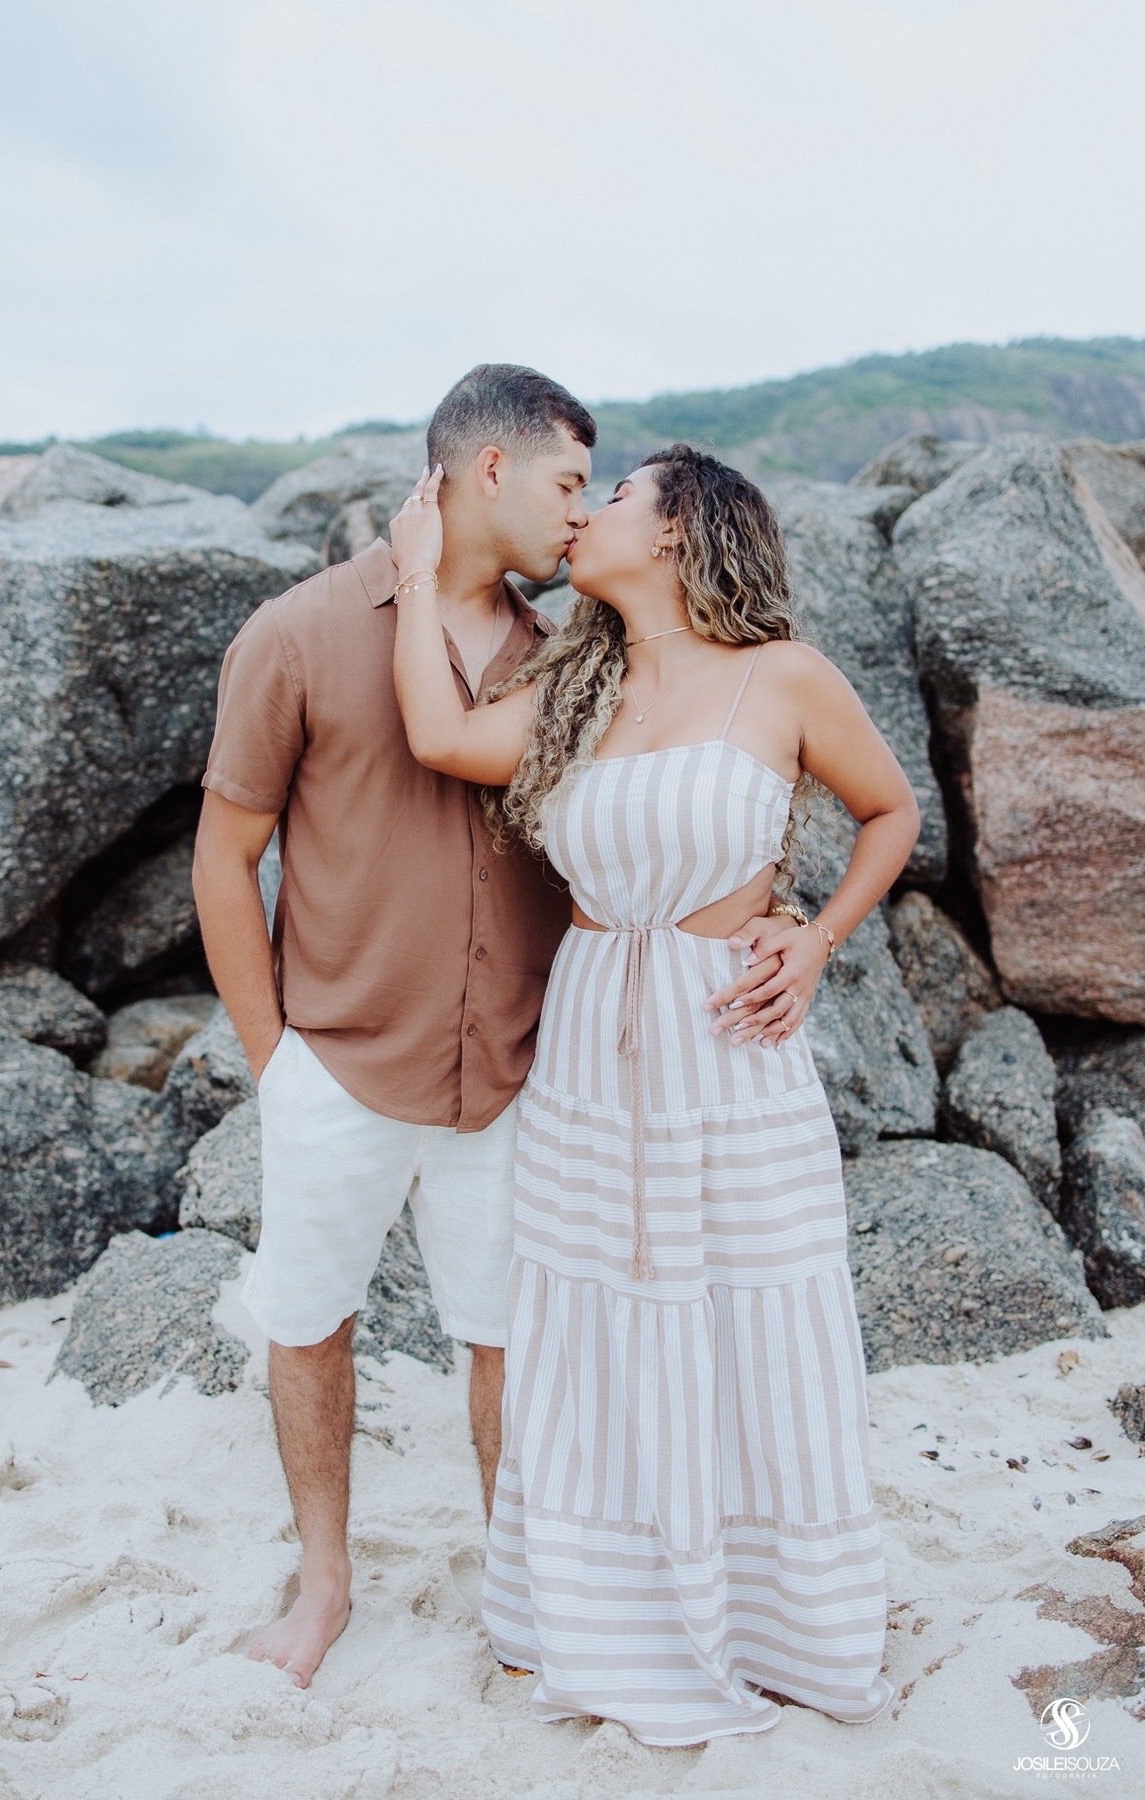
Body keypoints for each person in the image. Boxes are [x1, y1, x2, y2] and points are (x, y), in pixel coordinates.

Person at [388, 444, 920, 1745]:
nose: (588, 512)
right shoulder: (576, 686)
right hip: (589, 1054)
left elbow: (889, 810)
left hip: (729, 1052)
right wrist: (414, 573)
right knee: (597, 1312)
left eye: (616, 494)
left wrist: (816, 936)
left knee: (749, 1308)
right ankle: (611, 1607)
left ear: (682, 530)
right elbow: (442, 735)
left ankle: (770, 1617)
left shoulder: (781, 677)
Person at [191, 364, 599, 1688]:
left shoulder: (571, 661)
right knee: (309, 1324)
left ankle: (518, 1592)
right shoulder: (299, 634)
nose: (580, 516)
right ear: (490, 470)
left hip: (511, 1072)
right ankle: (324, 1584)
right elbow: (223, 858)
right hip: (339, 1069)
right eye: (567, 482)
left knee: (506, 1340)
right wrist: (276, 1063)